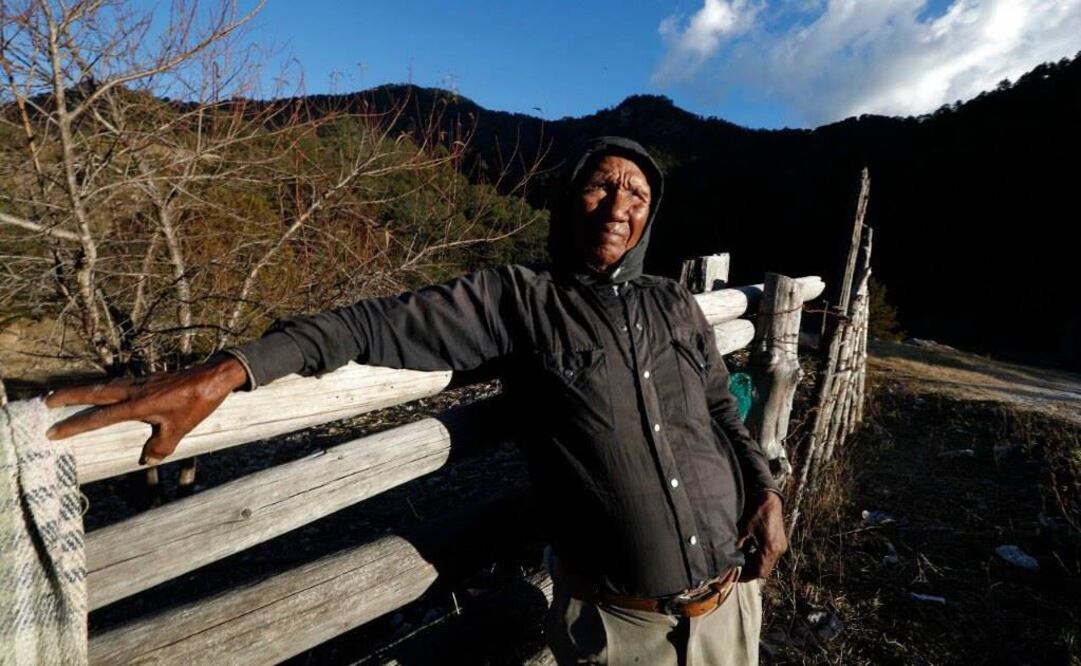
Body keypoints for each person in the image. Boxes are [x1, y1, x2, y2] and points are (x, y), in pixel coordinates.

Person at [47, 137, 787, 665]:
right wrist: (223, 373)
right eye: (601, 183)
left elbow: (720, 413)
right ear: (568, 199)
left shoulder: (673, 304)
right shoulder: (516, 299)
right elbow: (367, 324)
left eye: (637, 193)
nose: (616, 204)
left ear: (650, 217)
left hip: (731, 606)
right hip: (619, 628)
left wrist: (762, 490)